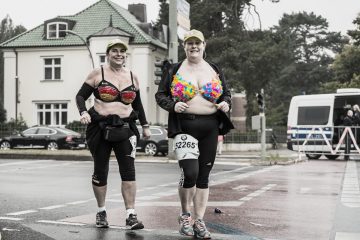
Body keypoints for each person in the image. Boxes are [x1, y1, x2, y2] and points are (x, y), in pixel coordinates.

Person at [155, 29, 234, 239]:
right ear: (185, 46)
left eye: (197, 43)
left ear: (204, 45)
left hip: (210, 126)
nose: (194, 46)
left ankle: (199, 220)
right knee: (190, 173)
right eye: (189, 43)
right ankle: (184, 215)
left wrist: (226, 102)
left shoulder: (214, 69)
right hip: (185, 127)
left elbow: (226, 93)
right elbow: (160, 95)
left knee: (203, 177)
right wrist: (173, 105)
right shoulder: (174, 70)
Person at [75, 38, 150, 229]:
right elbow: (80, 96)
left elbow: (138, 104)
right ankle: (101, 212)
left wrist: (145, 125)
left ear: (126, 54)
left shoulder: (133, 76)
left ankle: (131, 215)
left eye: (122, 51)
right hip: (100, 128)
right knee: (101, 171)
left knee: (129, 172)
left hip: (125, 128)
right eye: (114, 51)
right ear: (108, 54)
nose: (119, 54)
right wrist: (83, 112)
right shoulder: (97, 73)